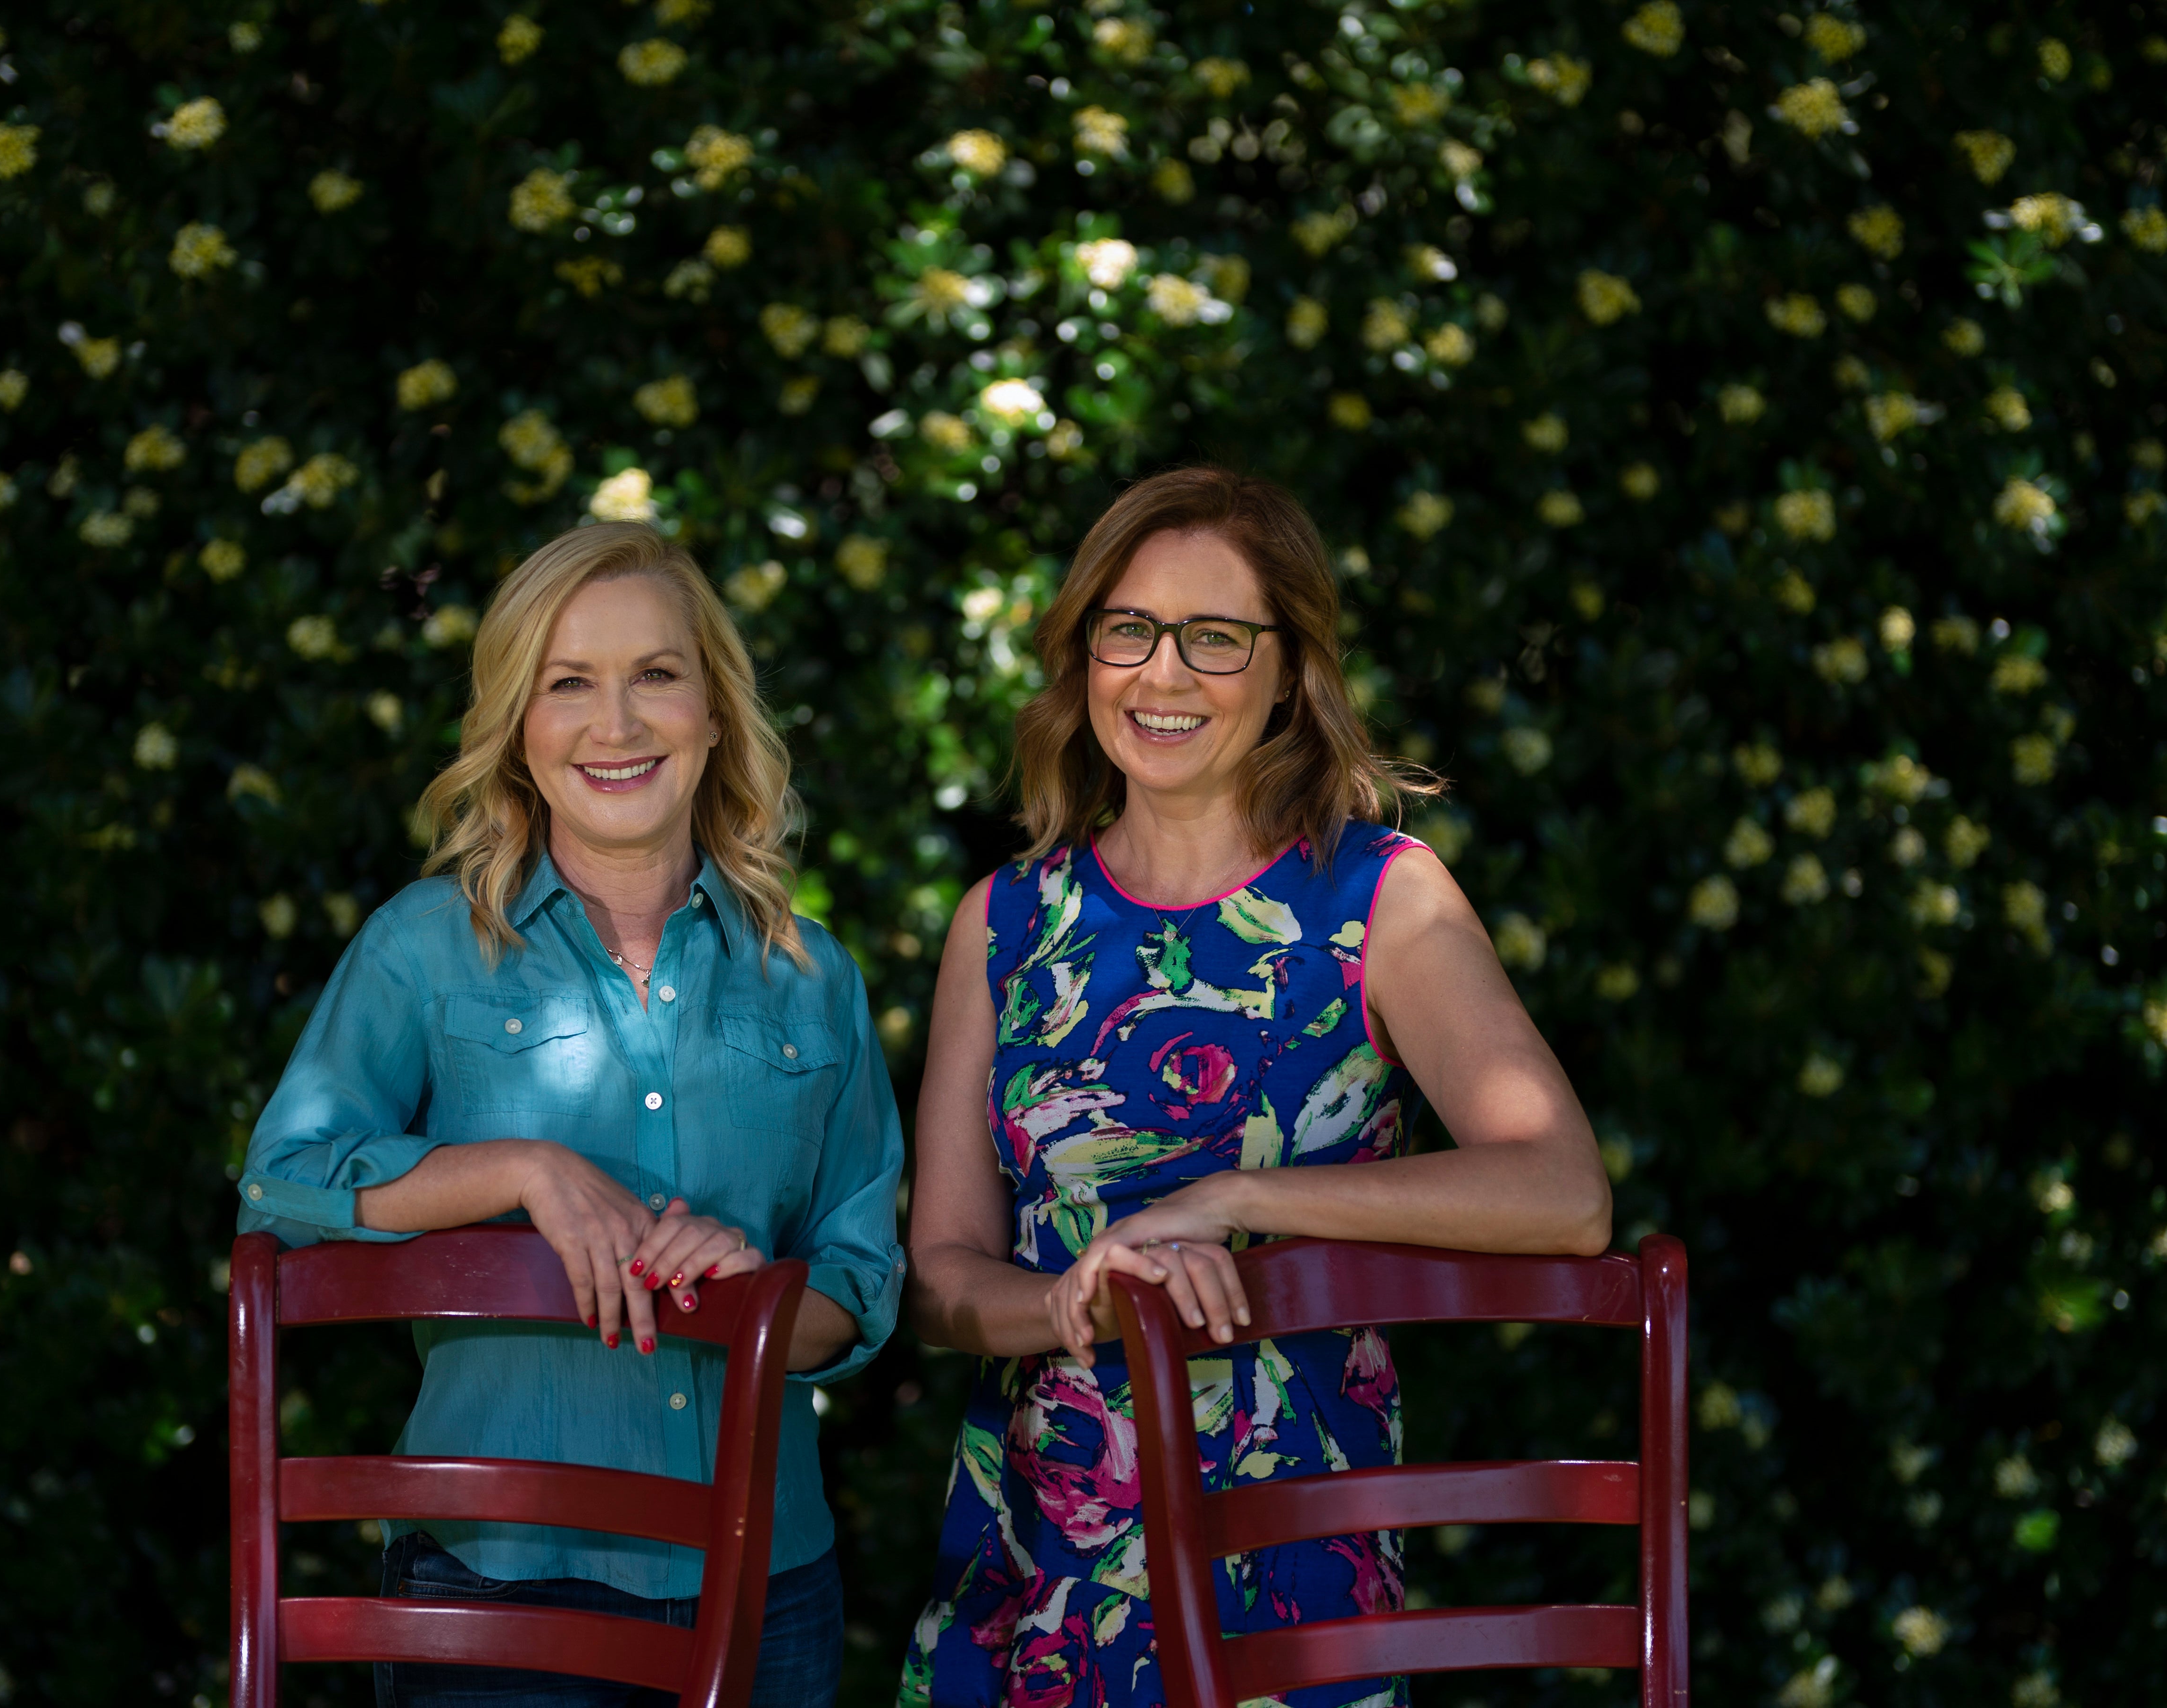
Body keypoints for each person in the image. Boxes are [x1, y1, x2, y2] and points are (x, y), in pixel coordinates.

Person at [899, 467, 1612, 1708]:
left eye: (1215, 637)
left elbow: (1562, 1192)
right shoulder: (1005, 923)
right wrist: (1072, 1302)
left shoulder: (1378, 897)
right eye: (1129, 628)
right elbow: (937, 1279)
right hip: (1040, 1568)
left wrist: (1232, 1198)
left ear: (1289, 671)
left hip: (1294, 1579)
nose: (1161, 673)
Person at [236, 521, 905, 1708]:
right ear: (516, 723)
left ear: (714, 710)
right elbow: (283, 1180)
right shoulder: (423, 948)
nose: (616, 723)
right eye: (567, 683)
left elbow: (859, 1285)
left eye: (656, 673)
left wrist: (756, 1290)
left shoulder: (812, 978)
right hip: (496, 1585)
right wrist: (517, 1168)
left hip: (765, 1587)